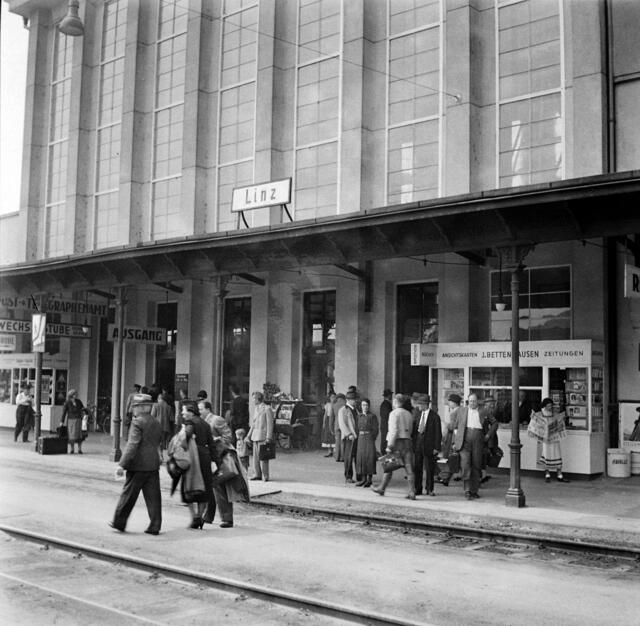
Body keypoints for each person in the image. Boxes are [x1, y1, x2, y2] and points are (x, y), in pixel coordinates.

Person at [110, 393, 162, 535]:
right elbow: (158, 442)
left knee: (128, 495)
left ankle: (119, 522)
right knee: (153, 497)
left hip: (138, 465)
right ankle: (155, 525)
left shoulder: (137, 422)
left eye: (136, 406)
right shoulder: (156, 422)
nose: (133, 409)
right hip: (153, 464)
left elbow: (132, 444)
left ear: (144, 407)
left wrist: (122, 464)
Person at [448, 393, 498, 500]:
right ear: (468, 401)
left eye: (474, 401)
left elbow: (494, 423)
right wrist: (454, 442)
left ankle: (474, 491)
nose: (472, 403)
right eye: (470, 401)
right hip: (464, 441)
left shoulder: (483, 411)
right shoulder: (461, 411)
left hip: (478, 441)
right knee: (465, 465)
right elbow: (456, 427)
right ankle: (467, 490)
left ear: (478, 402)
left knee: (476, 466)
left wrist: (488, 435)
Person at [179, 401, 216, 529]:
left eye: (184, 410)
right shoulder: (205, 424)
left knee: (188, 486)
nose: (182, 413)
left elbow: (185, 439)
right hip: (205, 457)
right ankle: (200, 516)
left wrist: (182, 443)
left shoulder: (190, 423)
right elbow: (211, 444)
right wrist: (217, 461)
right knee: (203, 487)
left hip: (193, 458)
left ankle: (194, 516)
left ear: (190, 412)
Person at [372, 394, 415, 499]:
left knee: (389, 466)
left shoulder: (393, 414)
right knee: (409, 468)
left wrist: (390, 445)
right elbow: (411, 429)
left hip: (397, 443)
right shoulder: (409, 414)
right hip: (408, 442)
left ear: (395, 402)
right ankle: (412, 491)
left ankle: (382, 488)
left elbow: (393, 430)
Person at [527, 397, 569, 483]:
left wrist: (561, 421)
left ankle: (559, 474)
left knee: (557, 454)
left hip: (554, 438)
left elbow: (560, 423)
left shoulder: (555, 414)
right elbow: (534, 423)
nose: (550, 407)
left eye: (551, 405)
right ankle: (547, 474)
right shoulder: (540, 414)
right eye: (549, 406)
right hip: (545, 439)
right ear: (544, 406)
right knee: (546, 454)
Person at [413, 394, 442, 497]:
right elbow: (414, 431)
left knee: (430, 468)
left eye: (420, 404)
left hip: (429, 446)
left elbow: (438, 433)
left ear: (425, 404)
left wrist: (436, 448)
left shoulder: (435, 417)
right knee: (417, 467)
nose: (418, 406)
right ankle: (418, 489)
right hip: (418, 444)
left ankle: (430, 489)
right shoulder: (417, 415)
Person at [246, 391, 274, 482]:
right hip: (255, 435)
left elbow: (270, 424)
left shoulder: (267, 408)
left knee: (263, 457)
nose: (253, 400)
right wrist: (248, 435)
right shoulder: (256, 409)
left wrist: (269, 437)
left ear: (258, 398)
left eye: (254, 398)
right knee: (255, 457)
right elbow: (253, 424)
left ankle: (265, 475)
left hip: (263, 435)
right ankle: (257, 474)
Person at [437, 393, 462, 487]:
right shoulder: (462, 410)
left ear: (454, 402)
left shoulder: (454, 412)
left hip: (453, 437)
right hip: (458, 436)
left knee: (452, 457)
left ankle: (446, 478)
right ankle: (448, 478)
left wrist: (446, 425)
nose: (449, 403)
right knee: (455, 458)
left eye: (450, 401)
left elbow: (452, 426)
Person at [355, 398, 378, 487]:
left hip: (369, 438)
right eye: (363, 405)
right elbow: (356, 428)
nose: (365, 407)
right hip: (361, 438)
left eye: (366, 405)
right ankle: (363, 479)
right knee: (361, 458)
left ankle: (369, 479)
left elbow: (375, 429)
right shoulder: (359, 416)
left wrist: (372, 438)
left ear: (369, 406)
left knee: (370, 457)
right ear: (361, 406)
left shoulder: (372, 416)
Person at [338, 391, 359, 484]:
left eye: (355, 399)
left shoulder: (356, 410)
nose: (355, 401)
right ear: (348, 400)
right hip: (349, 437)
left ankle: (359, 475)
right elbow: (342, 424)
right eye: (353, 399)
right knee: (348, 457)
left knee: (357, 457)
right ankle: (348, 476)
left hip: (357, 436)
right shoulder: (343, 410)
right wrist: (348, 434)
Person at [61, 389, 85, 454]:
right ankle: (72, 449)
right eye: (74, 394)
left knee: (79, 435)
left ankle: (79, 449)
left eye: (76, 394)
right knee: (71, 435)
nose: (76, 395)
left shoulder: (79, 401)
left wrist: (84, 413)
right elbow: (64, 412)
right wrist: (61, 421)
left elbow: (83, 409)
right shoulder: (67, 402)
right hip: (71, 420)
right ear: (71, 395)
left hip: (78, 420)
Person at [151, 392, 175, 459]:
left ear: (159, 398)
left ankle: (157, 456)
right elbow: (172, 419)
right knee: (162, 442)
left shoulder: (155, 405)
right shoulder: (169, 407)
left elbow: (152, 416)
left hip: (156, 427)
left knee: (156, 442)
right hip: (165, 428)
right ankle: (160, 454)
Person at [321, 392, 337, 457]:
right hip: (328, 419)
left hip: (334, 420)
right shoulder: (328, 404)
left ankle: (334, 451)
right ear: (330, 398)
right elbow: (325, 414)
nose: (333, 399)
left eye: (334, 397)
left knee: (333, 435)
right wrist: (324, 422)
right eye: (331, 397)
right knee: (327, 435)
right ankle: (329, 451)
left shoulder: (336, 405)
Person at [379, 389, 393, 457]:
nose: (391, 396)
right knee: (385, 441)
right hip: (386, 425)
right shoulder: (386, 404)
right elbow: (387, 415)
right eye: (390, 394)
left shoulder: (385, 404)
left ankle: (384, 455)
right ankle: (384, 455)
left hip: (385, 425)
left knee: (385, 440)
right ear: (388, 395)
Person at [333, 393, 345, 462]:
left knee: (337, 441)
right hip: (344, 424)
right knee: (343, 441)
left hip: (337, 424)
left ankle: (337, 457)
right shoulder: (345, 404)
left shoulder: (334, 405)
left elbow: (332, 417)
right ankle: (342, 457)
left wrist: (331, 426)